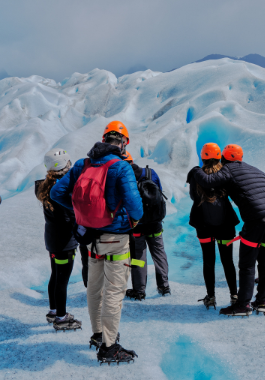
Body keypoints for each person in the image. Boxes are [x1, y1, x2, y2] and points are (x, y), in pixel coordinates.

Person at [50, 121, 144, 364]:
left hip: (90, 237)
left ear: (103, 139)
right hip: (117, 237)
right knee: (114, 290)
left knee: (94, 287)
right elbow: (135, 206)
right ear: (123, 143)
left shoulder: (83, 163)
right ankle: (110, 347)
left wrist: (82, 212)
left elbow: (56, 193)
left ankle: (97, 335)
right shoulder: (121, 167)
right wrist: (132, 221)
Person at [191, 144, 265, 317]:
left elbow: (208, 181)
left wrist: (195, 170)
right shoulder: (256, 170)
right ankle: (261, 301)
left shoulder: (228, 169)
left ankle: (242, 305)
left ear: (225, 158)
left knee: (247, 264)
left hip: (256, 220)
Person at [187, 143, 240, 310]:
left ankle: (210, 297)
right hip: (225, 226)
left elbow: (192, 196)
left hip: (203, 226)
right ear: (219, 156)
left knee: (208, 261)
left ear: (203, 157)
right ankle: (234, 295)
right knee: (227, 261)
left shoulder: (197, 175)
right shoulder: (225, 174)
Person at [35, 148, 82, 331]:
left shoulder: (45, 185)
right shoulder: (63, 188)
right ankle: (61, 318)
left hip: (52, 238)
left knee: (55, 274)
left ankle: (54, 311)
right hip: (65, 240)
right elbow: (70, 215)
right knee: (62, 279)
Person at [122, 152, 172, 300]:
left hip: (137, 224)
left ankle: (139, 290)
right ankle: (164, 286)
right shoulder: (150, 173)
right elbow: (159, 192)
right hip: (155, 223)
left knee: (138, 256)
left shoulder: (124, 178)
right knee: (159, 253)